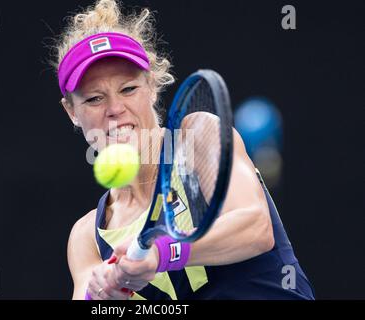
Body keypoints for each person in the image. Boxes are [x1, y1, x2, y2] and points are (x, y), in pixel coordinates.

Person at [53, 0, 315, 300]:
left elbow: (256, 228)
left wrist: (162, 254)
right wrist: (101, 295)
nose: (115, 109)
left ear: (151, 86)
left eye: (128, 89)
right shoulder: (88, 237)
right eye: (94, 99)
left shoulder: (197, 136)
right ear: (71, 111)